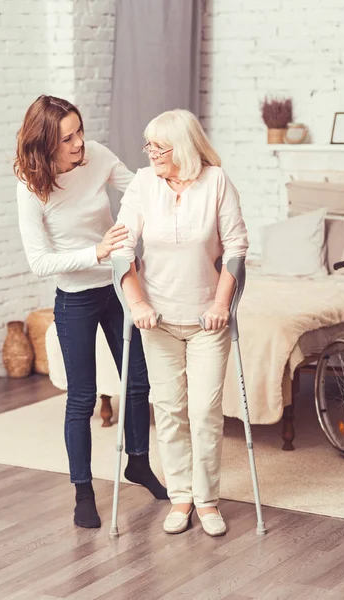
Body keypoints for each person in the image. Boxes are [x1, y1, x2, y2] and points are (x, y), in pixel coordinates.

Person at [14, 95, 168, 530]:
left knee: (138, 381)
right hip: (76, 298)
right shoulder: (31, 187)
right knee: (81, 398)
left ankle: (137, 462)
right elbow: (40, 262)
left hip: (118, 287)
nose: (80, 143)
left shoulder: (96, 156)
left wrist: (174, 169)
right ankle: (83, 490)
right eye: (68, 138)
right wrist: (95, 250)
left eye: (80, 131)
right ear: (45, 145)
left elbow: (137, 187)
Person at [113, 109, 249, 536]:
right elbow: (121, 246)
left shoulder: (216, 183)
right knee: (170, 409)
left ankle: (208, 501)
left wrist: (221, 303)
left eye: (159, 146)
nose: (150, 152)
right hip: (158, 322)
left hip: (207, 320)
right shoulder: (142, 184)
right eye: (148, 145)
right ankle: (181, 497)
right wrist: (136, 304)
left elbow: (236, 247)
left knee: (206, 410)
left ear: (184, 148)